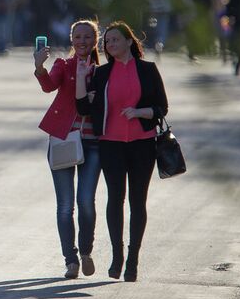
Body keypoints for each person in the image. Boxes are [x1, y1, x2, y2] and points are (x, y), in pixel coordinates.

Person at [75, 21, 168, 282]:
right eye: (107, 41)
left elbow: (162, 107)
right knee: (115, 199)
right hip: (111, 143)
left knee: (138, 201)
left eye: (115, 39)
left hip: (142, 142)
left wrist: (138, 112)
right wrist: (82, 78)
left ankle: (133, 260)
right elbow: (83, 108)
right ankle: (117, 257)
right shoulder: (102, 74)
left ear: (129, 41)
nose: (110, 44)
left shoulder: (147, 70)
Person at [33, 19, 102, 279]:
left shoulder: (103, 71)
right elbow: (49, 85)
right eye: (77, 37)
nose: (82, 42)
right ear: (71, 40)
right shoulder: (64, 65)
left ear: (95, 40)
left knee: (85, 201)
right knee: (65, 206)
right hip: (63, 139)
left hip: (93, 143)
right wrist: (39, 65)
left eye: (87, 37)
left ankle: (85, 252)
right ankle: (70, 259)